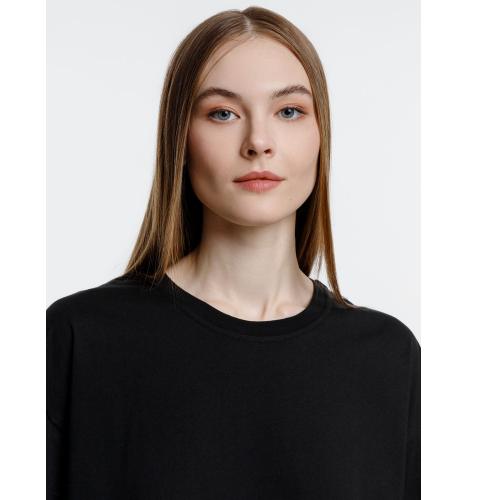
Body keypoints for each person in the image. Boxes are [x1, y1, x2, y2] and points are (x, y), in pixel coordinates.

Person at [47, 6, 420, 499]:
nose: (258, 142)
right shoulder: (78, 339)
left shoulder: (388, 359)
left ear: (320, 135)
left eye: (289, 111)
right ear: (180, 138)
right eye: (223, 113)